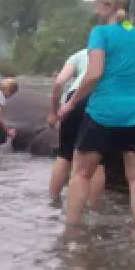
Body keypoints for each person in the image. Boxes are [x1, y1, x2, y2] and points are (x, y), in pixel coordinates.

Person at [55, 0, 135, 227]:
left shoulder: (100, 33)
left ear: (109, 6)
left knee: (80, 173)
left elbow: (93, 74)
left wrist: (70, 104)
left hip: (104, 115)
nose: (96, 8)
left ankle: (72, 234)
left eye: (98, 3)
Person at [48, 47, 106, 205]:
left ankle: (52, 201)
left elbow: (59, 82)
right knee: (98, 160)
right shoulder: (119, 53)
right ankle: (92, 207)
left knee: (65, 155)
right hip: (103, 99)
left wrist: (54, 112)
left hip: (76, 98)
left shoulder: (80, 54)